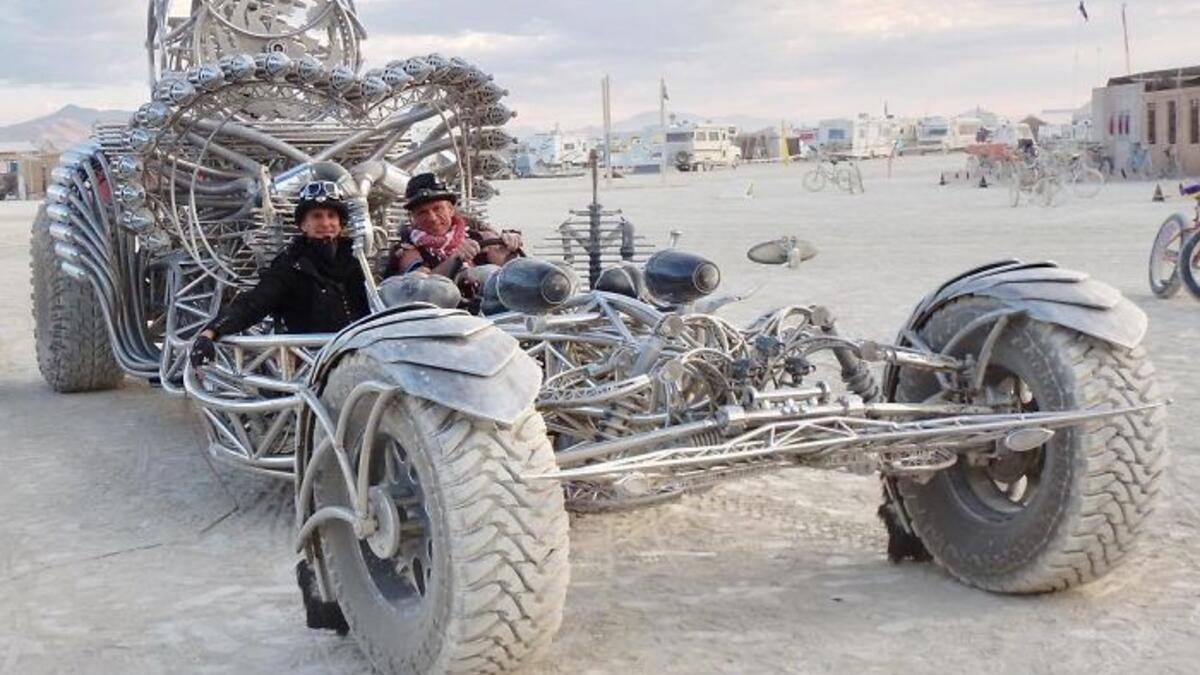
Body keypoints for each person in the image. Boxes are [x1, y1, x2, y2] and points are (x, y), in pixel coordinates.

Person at [189, 180, 370, 368]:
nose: (326, 223)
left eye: (332, 216)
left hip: (362, 359)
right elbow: (255, 303)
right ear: (303, 224)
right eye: (317, 216)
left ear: (340, 223)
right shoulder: (290, 265)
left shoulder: (355, 262)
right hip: (314, 367)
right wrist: (211, 331)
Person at [385, 173, 523, 280]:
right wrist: (455, 259)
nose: (432, 218)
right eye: (422, 212)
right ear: (413, 219)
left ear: (451, 210)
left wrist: (509, 247)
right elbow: (420, 287)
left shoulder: (481, 238)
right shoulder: (407, 250)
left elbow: (515, 274)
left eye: (437, 208)